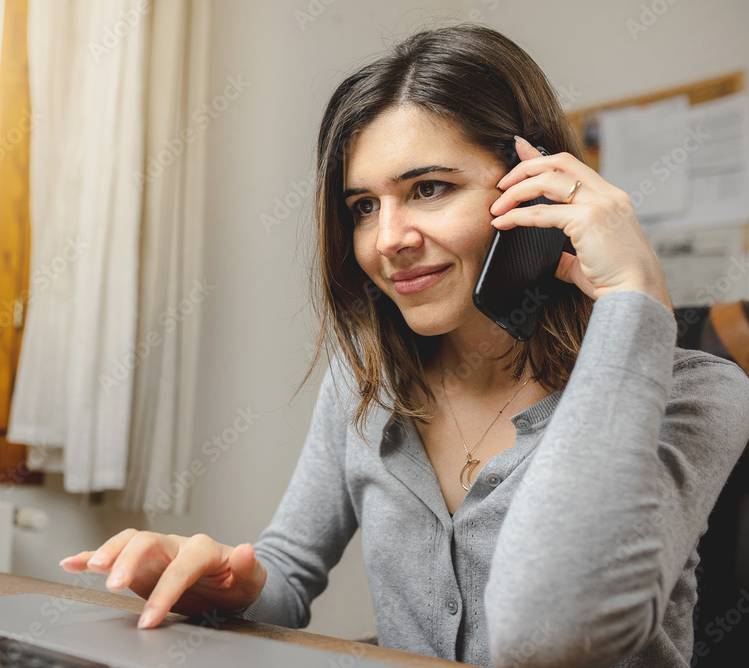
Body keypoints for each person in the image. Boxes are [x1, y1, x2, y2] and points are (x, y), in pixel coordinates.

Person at [59, 24, 749, 667]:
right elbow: (288, 578)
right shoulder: (366, 381)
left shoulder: (697, 392)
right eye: (364, 206)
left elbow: (550, 633)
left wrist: (632, 296)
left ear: (538, 187)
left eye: (428, 188)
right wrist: (224, 580)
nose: (387, 239)